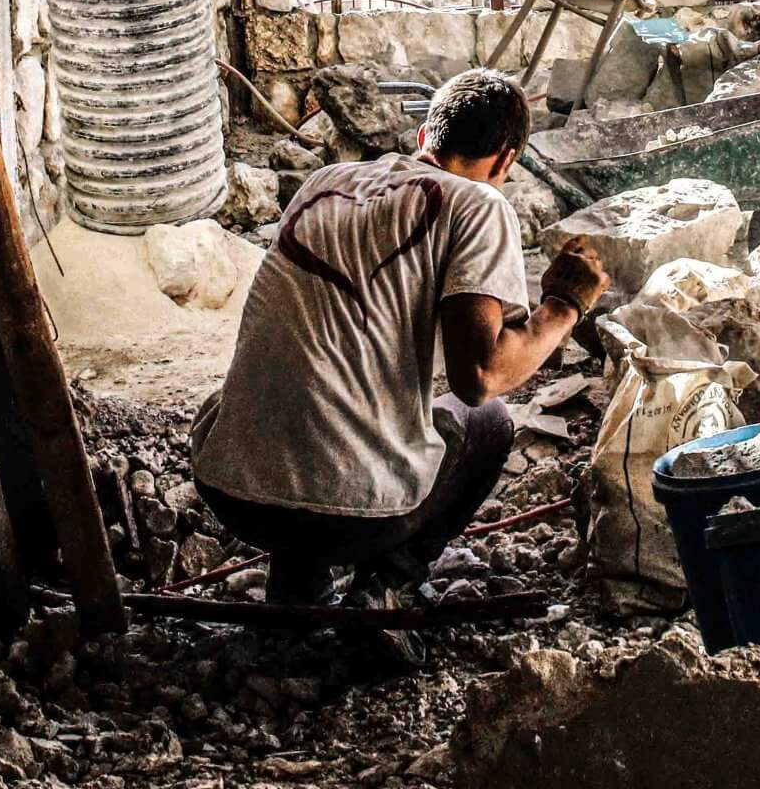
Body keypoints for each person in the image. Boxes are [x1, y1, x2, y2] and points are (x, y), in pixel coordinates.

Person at [190, 67, 608, 622]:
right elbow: (479, 378)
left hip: (230, 489)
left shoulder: (325, 183)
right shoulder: (479, 206)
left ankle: (295, 582)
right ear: (507, 160)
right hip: (345, 519)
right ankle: (385, 586)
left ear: (422, 138)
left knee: (318, 383)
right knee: (487, 423)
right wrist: (563, 307)